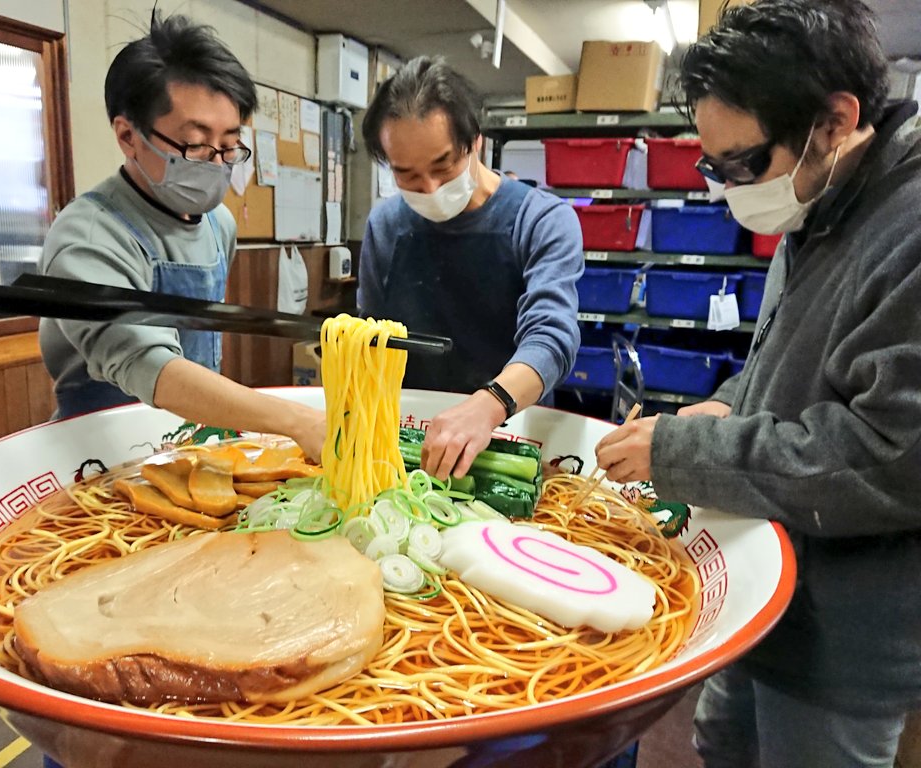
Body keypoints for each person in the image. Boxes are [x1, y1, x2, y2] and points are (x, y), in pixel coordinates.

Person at [593, 1, 921, 766]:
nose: (722, 191)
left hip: (843, 636)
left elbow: (892, 454)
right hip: (767, 582)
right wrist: (726, 403)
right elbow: (791, 366)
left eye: (742, 166)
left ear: (835, 120)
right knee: (723, 743)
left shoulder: (907, 231)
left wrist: (688, 450)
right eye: (712, 166)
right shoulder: (821, 200)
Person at [38, 12, 325, 460]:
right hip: (101, 459)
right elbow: (147, 363)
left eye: (229, 145)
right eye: (195, 144)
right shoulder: (89, 236)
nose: (216, 164)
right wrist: (295, 420)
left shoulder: (218, 224)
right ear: (128, 135)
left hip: (192, 447)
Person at [359, 56, 583, 480]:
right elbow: (372, 339)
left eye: (444, 166)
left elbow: (552, 336)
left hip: (510, 442)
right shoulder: (386, 225)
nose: (430, 189)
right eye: (407, 175)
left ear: (475, 142)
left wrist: (488, 404)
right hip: (407, 442)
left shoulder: (541, 220)